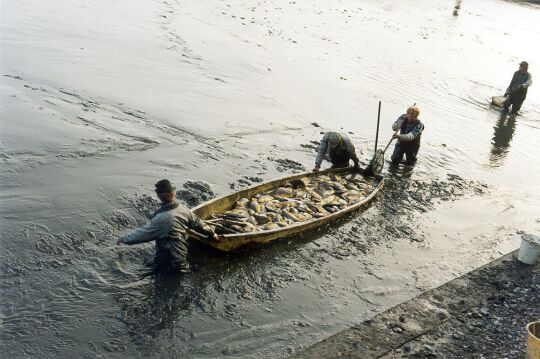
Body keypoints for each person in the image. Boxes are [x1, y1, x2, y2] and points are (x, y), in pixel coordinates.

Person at [117, 179, 216, 273]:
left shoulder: (161, 218)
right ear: (173, 194)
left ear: (160, 196)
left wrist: (123, 239)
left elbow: (142, 234)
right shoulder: (183, 208)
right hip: (179, 257)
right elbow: (200, 224)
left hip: (171, 262)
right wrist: (212, 234)